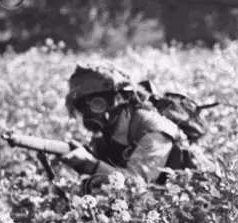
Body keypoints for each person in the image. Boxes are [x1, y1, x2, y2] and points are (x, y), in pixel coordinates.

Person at [60, 63, 190, 192]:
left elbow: (137, 185)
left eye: (97, 104)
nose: (89, 115)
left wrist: (92, 164)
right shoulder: (108, 136)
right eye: (82, 108)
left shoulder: (154, 130)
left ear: (119, 99)